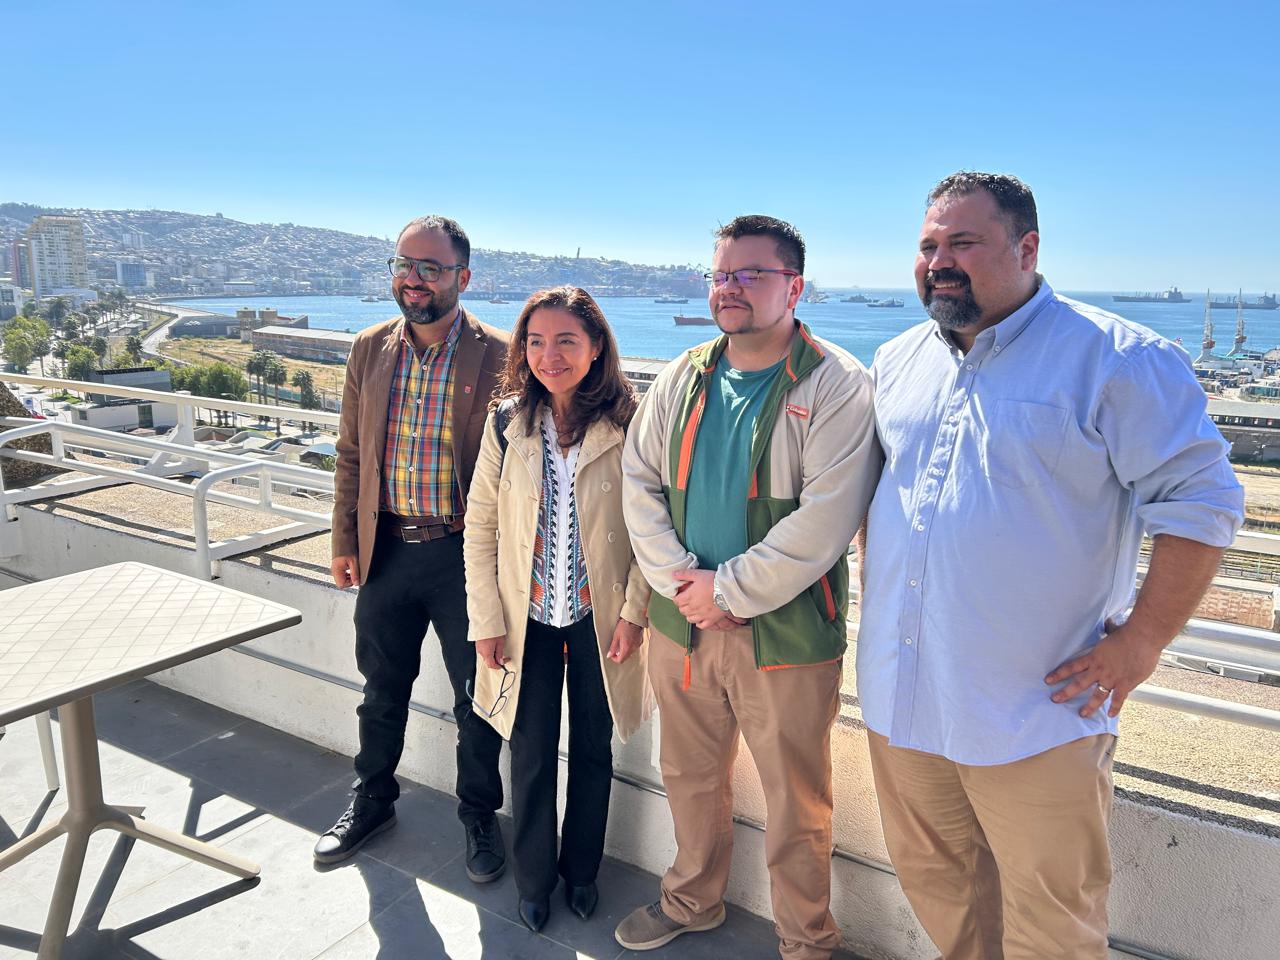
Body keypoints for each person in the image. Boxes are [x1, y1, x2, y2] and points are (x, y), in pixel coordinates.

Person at [859, 171, 1245, 959]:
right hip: (905, 701)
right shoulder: (897, 360)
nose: (940, 261)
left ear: (1027, 247)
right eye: (929, 245)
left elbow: (1202, 504)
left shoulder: (1116, 359)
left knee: (1054, 925)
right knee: (941, 893)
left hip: (1034, 710)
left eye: (964, 242)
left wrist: (1141, 643)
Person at [617, 216, 882, 959]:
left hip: (787, 636)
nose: (729, 289)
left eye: (750, 275)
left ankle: (806, 941)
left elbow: (826, 521)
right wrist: (684, 587)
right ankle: (691, 900)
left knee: (797, 800)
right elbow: (638, 483)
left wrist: (724, 591)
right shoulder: (686, 372)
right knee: (689, 777)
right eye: (721, 275)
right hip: (683, 629)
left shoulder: (835, 383)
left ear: (794, 287)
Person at [315, 215, 509, 884]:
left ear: (463, 277)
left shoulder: (501, 354)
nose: (414, 279)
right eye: (404, 264)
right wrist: (345, 539)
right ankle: (372, 799)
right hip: (387, 550)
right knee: (381, 688)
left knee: (475, 699)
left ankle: (480, 816)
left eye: (430, 267)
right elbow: (350, 453)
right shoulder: (370, 347)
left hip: (464, 559)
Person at [463, 285, 651, 931]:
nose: (550, 355)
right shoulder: (506, 423)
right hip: (527, 620)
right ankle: (536, 879)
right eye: (536, 341)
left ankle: (583, 873)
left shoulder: (631, 424)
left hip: (600, 621)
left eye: (567, 340)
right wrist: (486, 620)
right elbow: (481, 524)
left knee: (594, 749)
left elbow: (655, 528)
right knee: (531, 750)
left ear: (596, 347)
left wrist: (633, 613)